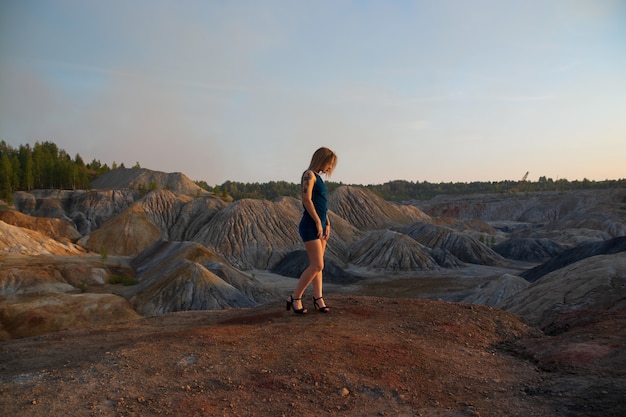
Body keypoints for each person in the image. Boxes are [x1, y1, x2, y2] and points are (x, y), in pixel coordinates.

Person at [286, 147, 338, 314]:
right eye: (330, 164)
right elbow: (306, 200)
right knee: (317, 265)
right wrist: (317, 221)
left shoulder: (318, 178)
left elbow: (321, 204)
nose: (330, 168)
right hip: (310, 225)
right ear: (321, 160)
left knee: (319, 266)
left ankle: (318, 298)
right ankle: (295, 298)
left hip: (320, 224)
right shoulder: (308, 175)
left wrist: (327, 223)